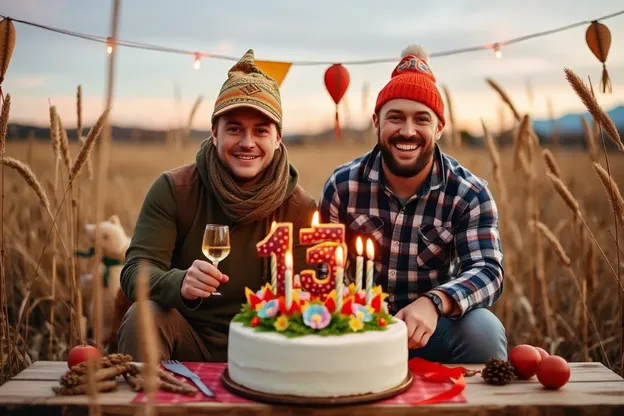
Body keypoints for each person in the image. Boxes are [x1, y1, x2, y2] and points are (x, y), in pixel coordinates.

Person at [117, 49, 317, 362]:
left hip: (270, 346)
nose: (247, 142)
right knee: (142, 317)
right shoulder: (175, 190)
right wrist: (179, 282)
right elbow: (135, 272)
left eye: (261, 130)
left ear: (278, 138)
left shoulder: (300, 207)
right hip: (190, 336)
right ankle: (152, 406)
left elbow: (313, 289)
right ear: (214, 133)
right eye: (234, 128)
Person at [318, 45, 507, 363]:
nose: (407, 131)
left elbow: (488, 270)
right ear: (376, 122)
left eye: (421, 119)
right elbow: (322, 267)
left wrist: (435, 302)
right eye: (395, 118)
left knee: (483, 332)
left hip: (428, 330)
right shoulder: (342, 186)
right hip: (354, 327)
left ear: (439, 127)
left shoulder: (469, 193)